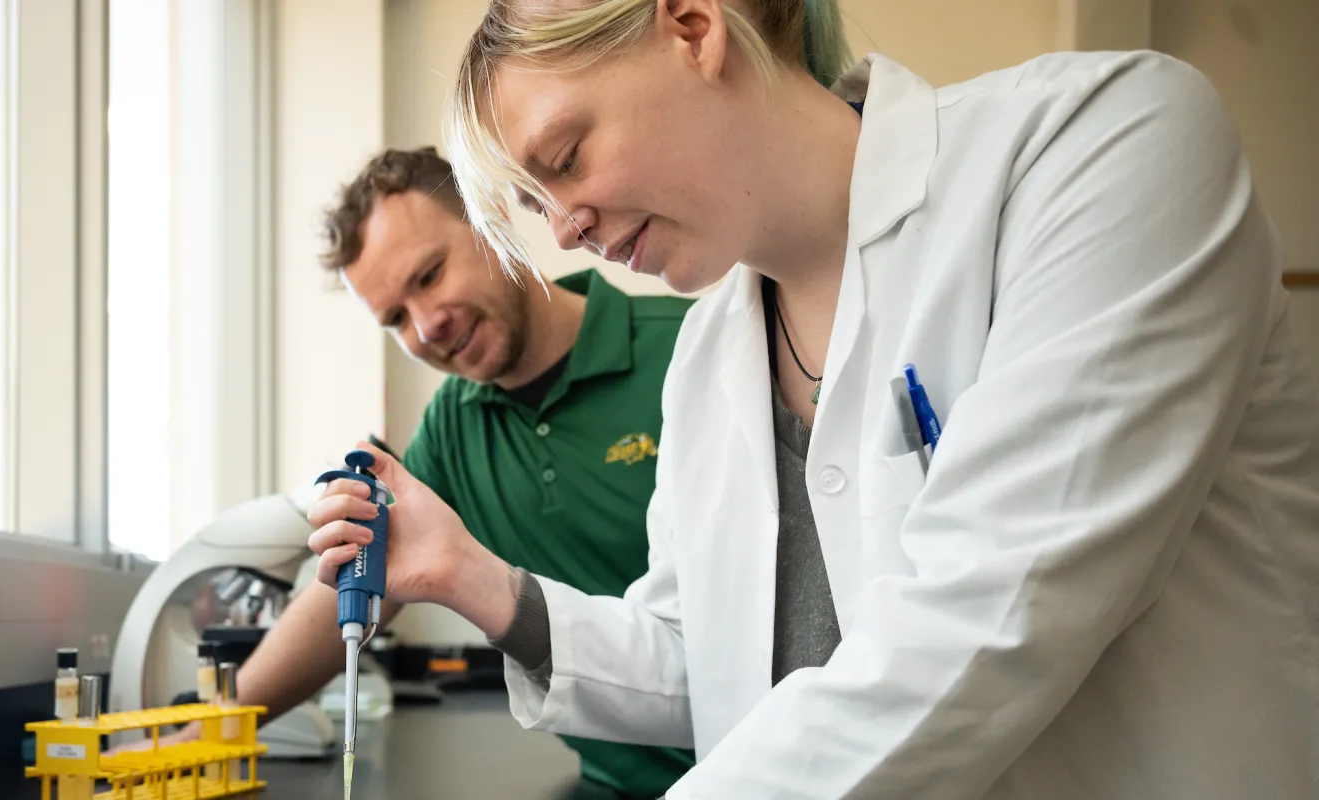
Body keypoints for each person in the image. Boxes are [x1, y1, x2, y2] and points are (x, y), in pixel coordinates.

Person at [306, 1, 1319, 798]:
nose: (562, 229)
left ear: (690, 24)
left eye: (563, 160)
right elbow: (703, 660)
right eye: (533, 204)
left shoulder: (1099, 147)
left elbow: (983, 621)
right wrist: (465, 573)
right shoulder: (710, 351)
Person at [127, 147, 697, 799]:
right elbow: (356, 583)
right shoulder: (453, 431)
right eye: (395, 318)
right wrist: (211, 733)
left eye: (429, 276)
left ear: (491, 221)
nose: (427, 326)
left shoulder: (692, 349)